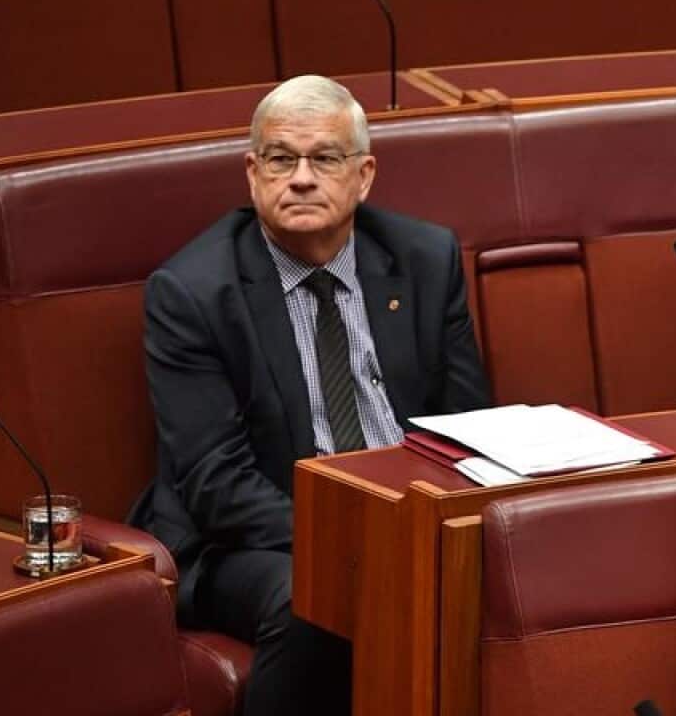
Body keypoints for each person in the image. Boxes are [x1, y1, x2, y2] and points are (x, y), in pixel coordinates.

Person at [128, 74, 491, 715]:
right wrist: (368, 538)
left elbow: (465, 427)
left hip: (405, 516)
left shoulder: (425, 258)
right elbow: (218, 485)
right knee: (317, 594)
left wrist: (418, 527)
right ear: (252, 172)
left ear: (364, 175)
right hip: (246, 542)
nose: (300, 178)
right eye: (280, 159)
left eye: (324, 158)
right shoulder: (193, 293)